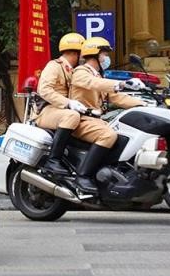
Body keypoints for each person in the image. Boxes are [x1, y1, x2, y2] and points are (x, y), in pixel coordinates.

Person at [69, 37, 146, 192]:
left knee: (124, 136)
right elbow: (94, 84)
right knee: (108, 136)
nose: (106, 58)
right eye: (104, 54)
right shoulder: (80, 72)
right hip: (81, 120)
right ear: (95, 54)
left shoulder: (98, 76)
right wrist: (122, 84)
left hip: (96, 121)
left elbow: (116, 98)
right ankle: (82, 176)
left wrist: (143, 104)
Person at [34, 32, 87, 175]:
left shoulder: (72, 70)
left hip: (60, 111)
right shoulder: (54, 66)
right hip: (46, 111)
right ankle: (53, 160)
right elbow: (44, 89)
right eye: (82, 53)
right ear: (75, 53)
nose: (83, 58)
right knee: (71, 117)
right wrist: (68, 102)